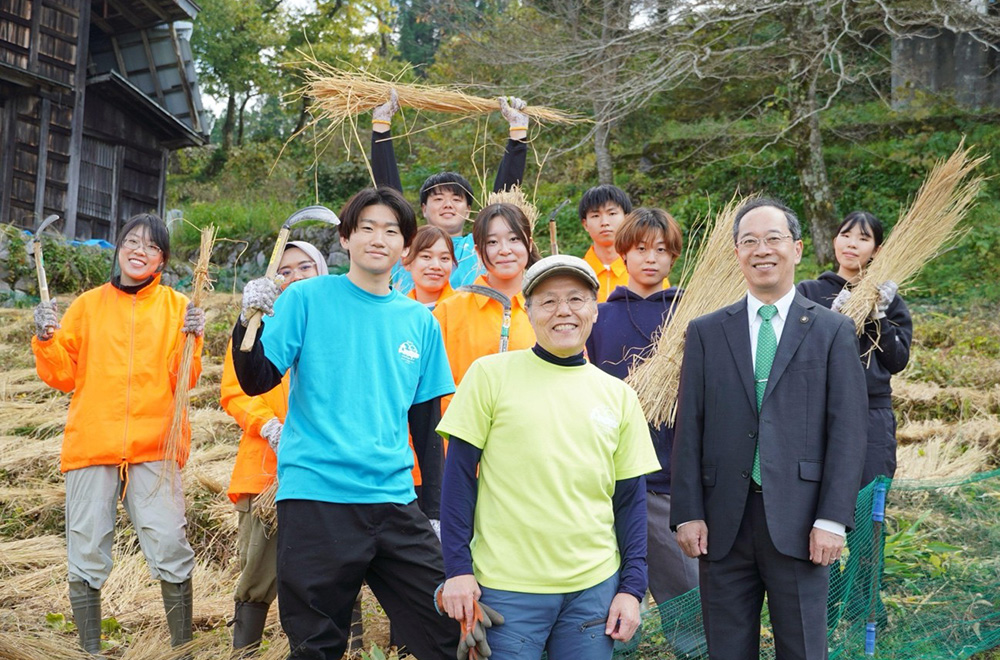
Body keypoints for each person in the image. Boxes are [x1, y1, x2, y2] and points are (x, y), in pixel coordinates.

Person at [231, 186, 460, 660]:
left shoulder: (419, 321)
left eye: (392, 231)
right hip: (318, 497)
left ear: (405, 246)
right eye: (368, 228)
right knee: (318, 643)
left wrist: (433, 512)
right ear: (346, 238)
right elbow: (255, 380)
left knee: (447, 630)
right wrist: (246, 319)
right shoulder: (308, 299)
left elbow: (425, 426)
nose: (379, 238)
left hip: (393, 500)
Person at [670, 198, 868, 660]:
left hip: (802, 523)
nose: (763, 250)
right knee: (726, 649)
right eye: (749, 241)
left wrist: (832, 518)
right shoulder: (705, 331)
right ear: (737, 253)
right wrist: (688, 511)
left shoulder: (832, 331)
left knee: (802, 648)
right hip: (722, 524)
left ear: (797, 249)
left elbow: (848, 431)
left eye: (774, 239)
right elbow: (690, 427)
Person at [438, 255, 662, 660]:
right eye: (548, 301)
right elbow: (457, 481)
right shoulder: (489, 375)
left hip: (593, 592)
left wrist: (631, 589)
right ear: (528, 309)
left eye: (576, 299)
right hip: (506, 590)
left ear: (595, 309)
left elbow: (630, 502)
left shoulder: (620, 396)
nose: (564, 311)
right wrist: (457, 571)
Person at [31, 213, 205, 654]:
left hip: (155, 448)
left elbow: (184, 381)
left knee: (169, 543)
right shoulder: (87, 306)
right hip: (92, 445)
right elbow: (63, 377)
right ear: (119, 248)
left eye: (150, 246)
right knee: (87, 550)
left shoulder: (178, 308)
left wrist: (193, 342)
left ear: (162, 260)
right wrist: (46, 339)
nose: (138, 250)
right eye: (131, 241)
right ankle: (91, 649)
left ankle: (180, 646)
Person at [221, 240, 370, 656]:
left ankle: (349, 649)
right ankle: (244, 650)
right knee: (257, 570)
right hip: (266, 469)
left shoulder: (345, 324)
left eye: (305, 267)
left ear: (323, 272)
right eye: (284, 271)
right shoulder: (257, 324)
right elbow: (235, 389)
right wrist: (268, 425)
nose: (295, 277)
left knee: (339, 567)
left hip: (329, 473)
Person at [585, 209, 700, 615]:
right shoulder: (598, 317)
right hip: (611, 475)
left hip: (672, 480)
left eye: (662, 250)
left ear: (674, 258)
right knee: (607, 598)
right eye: (641, 249)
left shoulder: (693, 317)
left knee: (689, 597)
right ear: (622, 254)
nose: (651, 259)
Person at [371, 90, 530, 293]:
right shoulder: (405, 246)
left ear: (469, 210)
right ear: (424, 209)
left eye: (457, 198)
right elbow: (389, 199)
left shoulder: (481, 245)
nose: (448, 204)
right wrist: (381, 127)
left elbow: (504, 200)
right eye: (438, 198)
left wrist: (518, 132)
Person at [797, 211, 912, 485]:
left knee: (867, 498)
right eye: (845, 235)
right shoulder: (808, 292)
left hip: (871, 412)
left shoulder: (889, 300)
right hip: (815, 410)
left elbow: (897, 360)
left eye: (862, 238)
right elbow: (793, 349)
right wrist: (831, 317)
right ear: (834, 241)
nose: (851, 244)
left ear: (876, 250)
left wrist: (879, 318)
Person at [432, 203, 541, 407]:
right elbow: (428, 388)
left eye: (514, 239)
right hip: (461, 434)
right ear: (478, 251)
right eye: (492, 242)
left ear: (529, 243)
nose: (505, 250)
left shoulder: (548, 309)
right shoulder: (449, 311)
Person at [579, 184, 633, 302]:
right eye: (595, 215)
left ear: (627, 219)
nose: (604, 222)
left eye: (612, 213)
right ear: (585, 224)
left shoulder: (644, 272)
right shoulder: (576, 274)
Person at [403, 225, 457, 309]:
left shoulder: (464, 307)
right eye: (426, 256)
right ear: (406, 262)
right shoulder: (399, 310)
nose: (436, 266)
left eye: (444, 258)